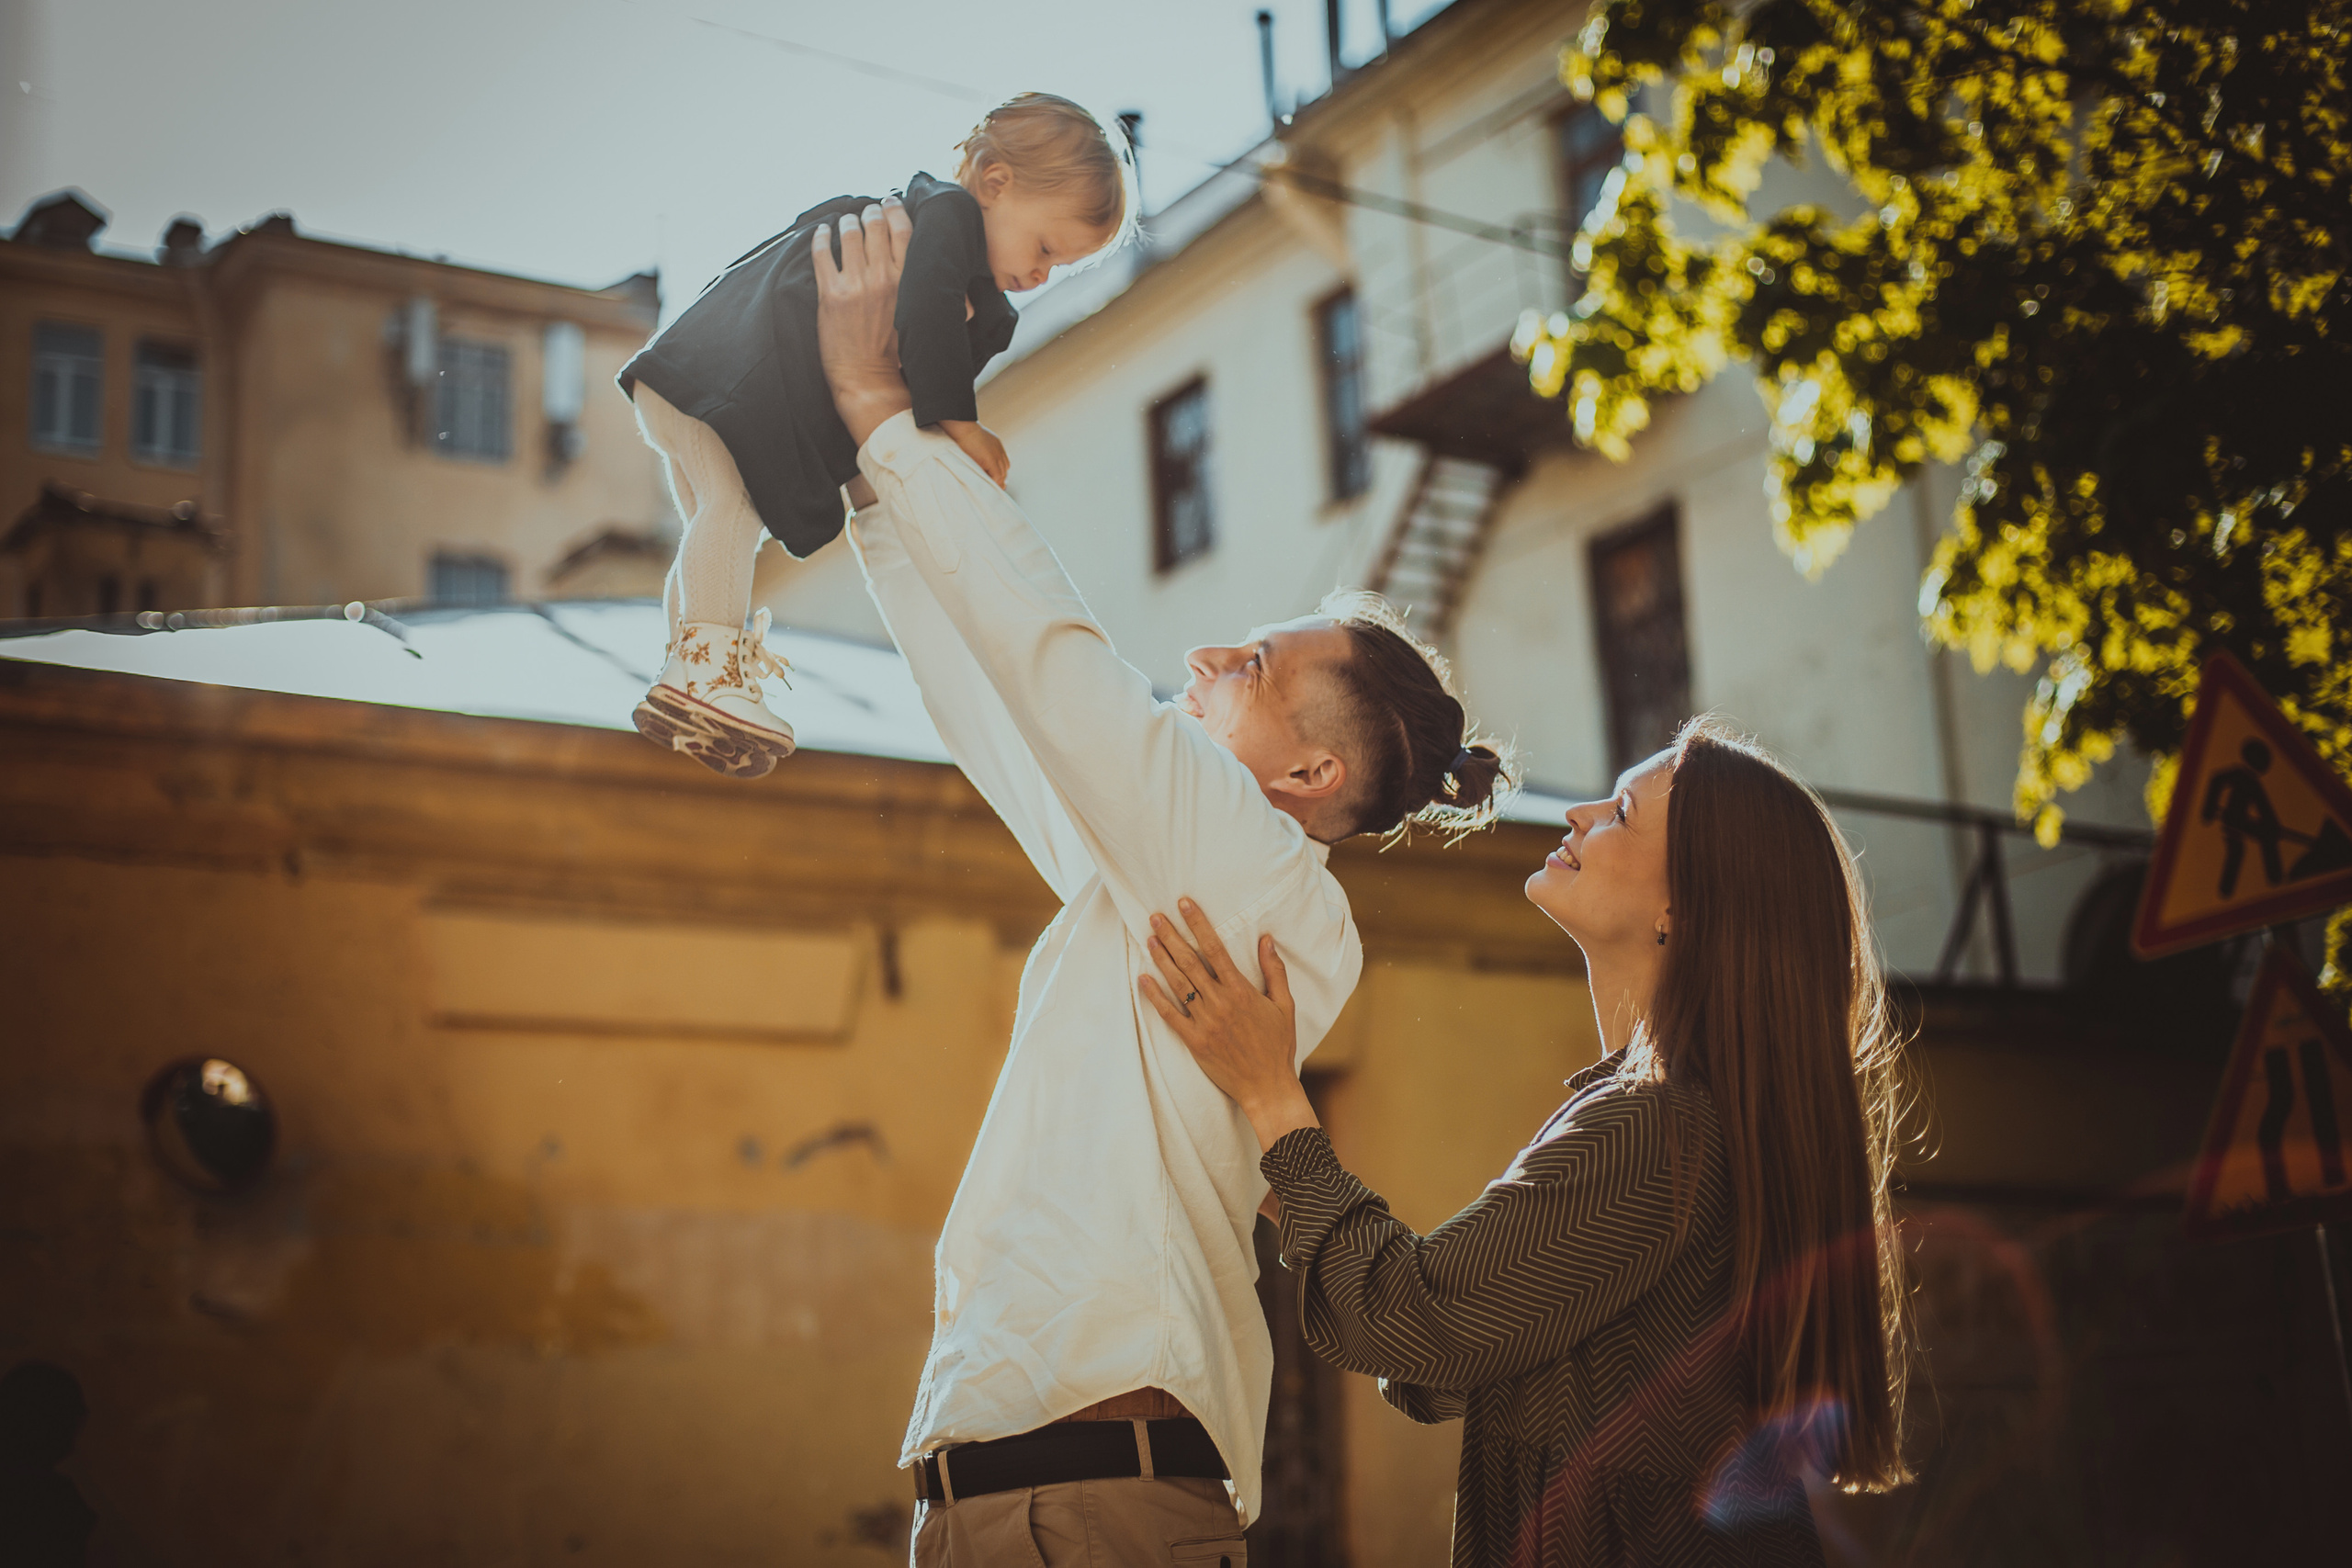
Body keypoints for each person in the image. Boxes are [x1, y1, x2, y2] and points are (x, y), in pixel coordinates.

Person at [809, 199, 1511, 1564]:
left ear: (1308, 774)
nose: (1200, 658)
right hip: (1003, 1501)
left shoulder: (1254, 869)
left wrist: (878, 410)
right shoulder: (1167, 867)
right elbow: (1009, 722)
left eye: (1248, 665)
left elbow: (1062, 678)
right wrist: (886, 497)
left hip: (1097, 1507)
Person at [1140, 717, 1914, 1566]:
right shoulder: (1679, 1122)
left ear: (1678, 907)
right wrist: (1247, 1130)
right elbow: (1452, 1354)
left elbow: (1411, 1320)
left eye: (1621, 811)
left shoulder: (1660, 1127)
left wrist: (1272, 1092)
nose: (1578, 812)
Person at [616, 93, 1136, 778]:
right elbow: (924, 316)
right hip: (720, 382)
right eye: (1044, 247)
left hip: (700, 378)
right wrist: (959, 423)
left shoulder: (939, 237)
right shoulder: (947, 218)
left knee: (715, 524)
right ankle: (705, 671)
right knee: (731, 512)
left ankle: (691, 665)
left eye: (1061, 268)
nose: (1042, 275)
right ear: (996, 183)